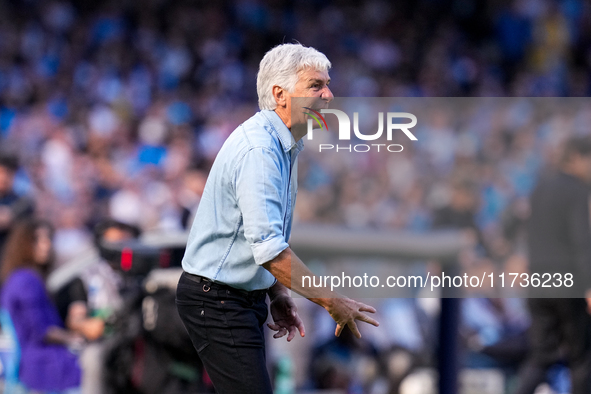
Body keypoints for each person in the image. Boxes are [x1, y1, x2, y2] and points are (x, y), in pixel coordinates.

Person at [176, 43, 379, 394]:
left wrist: (277, 294)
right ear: (280, 95)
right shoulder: (261, 151)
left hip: (236, 297)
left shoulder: (283, 143)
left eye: (327, 85)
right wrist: (331, 301)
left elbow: (260, 238)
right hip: (218, 299)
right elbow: (269, 249)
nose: (328, 95)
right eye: (316, 86)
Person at [515, 136, 591, 394]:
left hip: (537, 281)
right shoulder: (578, 191)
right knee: (582, 356)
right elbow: (582, 241)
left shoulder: (540, 188)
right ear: (577, 158)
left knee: (541, 356)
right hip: (568, 281)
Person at [0, 218, 82, 394]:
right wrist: (74, 339)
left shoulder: (20, 277)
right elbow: (40, 331)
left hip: (36, 363)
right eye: (37, 239)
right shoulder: (26, 280)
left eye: (48, 238)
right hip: (43, 366)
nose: (46, 245)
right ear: (22, 245)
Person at [0, 153, 33, 257]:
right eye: (1, 172)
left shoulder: (23, 203)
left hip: (9, 259)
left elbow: (6, 218)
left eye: (9, 173)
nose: (4, 177)